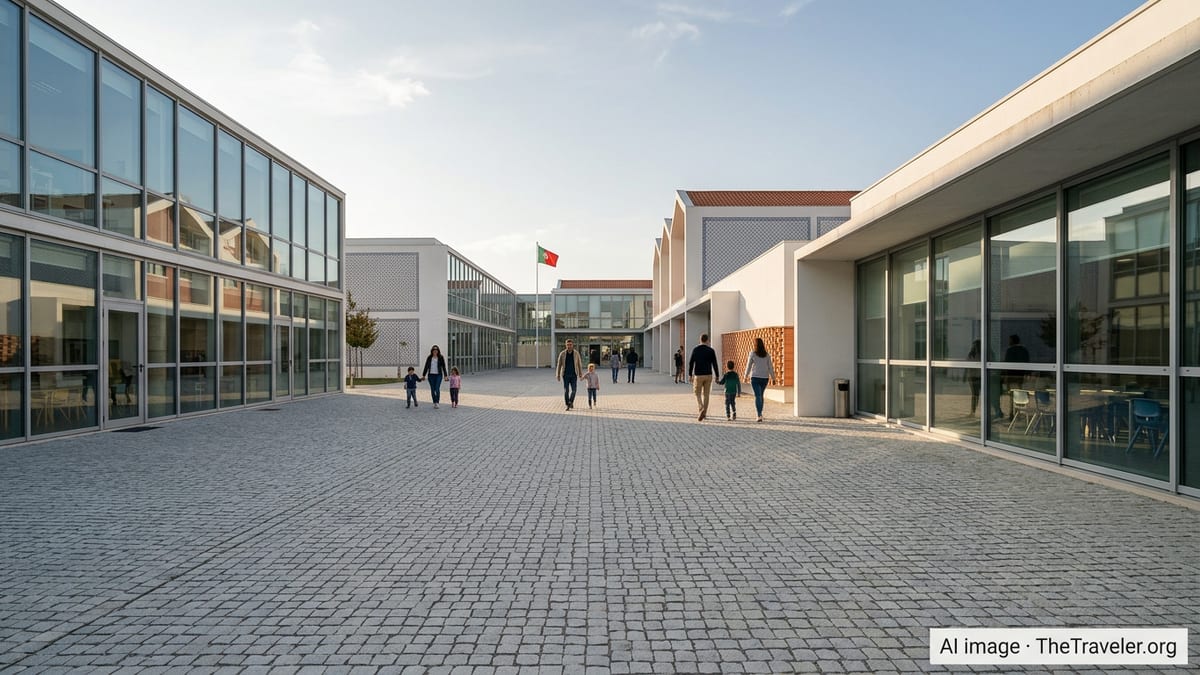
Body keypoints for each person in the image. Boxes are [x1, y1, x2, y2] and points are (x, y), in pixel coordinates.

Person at [688, 333, 720, 421]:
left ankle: (701, 408)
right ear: (707, 340)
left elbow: (691, 363)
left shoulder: (695, 349)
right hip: (708, 375)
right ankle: (704, 413)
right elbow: (715, 363)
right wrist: (717, 375)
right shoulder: (711, 350)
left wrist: (690, 374)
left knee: (697, 393)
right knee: (706, 395)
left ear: (700, 340)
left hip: (698, 375)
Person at [743, 337, 775, 423]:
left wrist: (745, 375)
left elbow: (748, 365)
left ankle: (759, 415)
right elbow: (770, 367)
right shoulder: (767, 355)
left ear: (755, 344)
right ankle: (760, 414)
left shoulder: (753, 353)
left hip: (755, 378)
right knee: (760, 395)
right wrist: (773, 377)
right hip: (765, 378)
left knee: (758, 396)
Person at [555, 339, 584, 411]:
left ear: (572, 345)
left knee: (574, 390)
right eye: (567, 345)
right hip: (565, 375)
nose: (569, 346)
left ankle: (570, 401)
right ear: (566, 345)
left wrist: (580, 373)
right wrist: (558, 375)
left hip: (574, 375)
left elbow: (579, 364)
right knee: (566, 391)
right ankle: (567, 404)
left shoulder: (576, 353)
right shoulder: (562, 354)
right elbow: (559, 365)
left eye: (570, 345)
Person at [967, 339, 982, 416]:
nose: (973, 346)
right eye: (973, 345)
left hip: (979, 377)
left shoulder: (981, 354)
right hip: (972, 377)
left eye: (975, 345)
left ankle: (974, 411)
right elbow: (967, 365)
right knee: (975, 394)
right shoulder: (971, 354)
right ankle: (973, 411)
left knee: (977, 394)